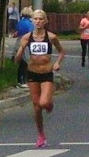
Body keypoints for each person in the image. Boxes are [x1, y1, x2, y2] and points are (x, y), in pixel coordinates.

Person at [14, 9, 65, 148]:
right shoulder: (26, 37)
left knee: (43, 103)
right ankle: (41, 135)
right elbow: (17, 60)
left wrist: (57, 63)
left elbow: (61, 51)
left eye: (40, 19)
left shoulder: (51, 37)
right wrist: (21, 49)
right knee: (36, 107)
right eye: (35, 19)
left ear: (45, 21)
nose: (38, 21)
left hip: (47, 73)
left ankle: (49, 103)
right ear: (32, 21)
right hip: (32, 74)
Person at [14, 7, 33, 87]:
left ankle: (19, 80)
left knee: (21, 62)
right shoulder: (30, 24)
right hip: (25, 43)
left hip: (18, 42)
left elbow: (17, 32)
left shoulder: (20, 22)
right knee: (25, 62)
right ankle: (23, 81)